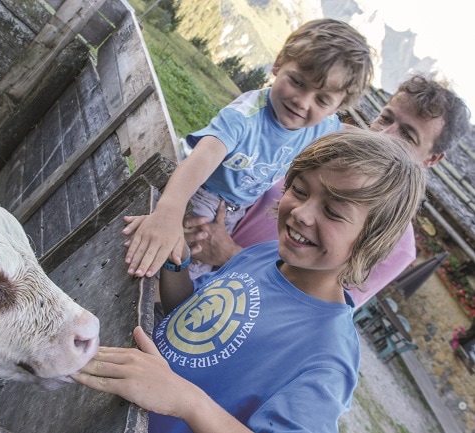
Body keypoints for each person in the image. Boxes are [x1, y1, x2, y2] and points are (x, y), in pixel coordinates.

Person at [73, 130, 426, 433]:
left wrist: (185, 400)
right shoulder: (263, 254)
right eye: (300, 190)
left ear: (371, 241)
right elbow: (195, 320)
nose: (302, 213)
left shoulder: (327, 357)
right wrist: (175, 264)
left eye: (333, 212)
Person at [184, 74, 471, 307]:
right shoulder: (320, 148)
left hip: (228, 311)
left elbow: (320, 309)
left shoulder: (398, 244)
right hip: (187, 261)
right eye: (386, 118)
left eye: (407, 135)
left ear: (431, 159)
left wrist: (229, 255)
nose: (384, 135)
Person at [122, 18, 373, 279]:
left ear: (336, 109)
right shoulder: (246, 116)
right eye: (298, 82)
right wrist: (168, 212)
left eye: (321, 100)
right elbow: (204, 156)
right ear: (279, 63)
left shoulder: (324, 127)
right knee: (170, 261)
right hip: (200, 195)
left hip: (235, 210)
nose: (302, 101)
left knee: (190, 267)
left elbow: (354, 138)